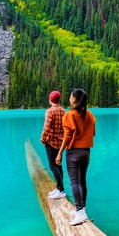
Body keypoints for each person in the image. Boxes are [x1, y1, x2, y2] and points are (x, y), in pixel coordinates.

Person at [56, 88, 96, 226]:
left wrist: (60, 152)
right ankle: (82, 208)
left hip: (73, 152)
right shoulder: (89, 114)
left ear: (75, 99)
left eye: (71, 95)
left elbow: (67, 136)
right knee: (82, 181)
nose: (69, 97)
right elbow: (93, 133)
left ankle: (80, 212)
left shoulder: (70, 115)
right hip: (86, 151)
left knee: (74, 182)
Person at [40, 90, 66, 200]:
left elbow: (46, 127)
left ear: (50, 100)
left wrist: (42, 138)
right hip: (60, 143)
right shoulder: (64, 111)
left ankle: (61, 189)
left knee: (52, 165)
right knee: (58, 165)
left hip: (51, 142)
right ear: (59, 100)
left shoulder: (50, 111)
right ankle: (59, 187)